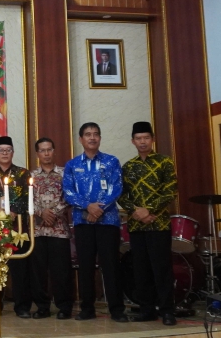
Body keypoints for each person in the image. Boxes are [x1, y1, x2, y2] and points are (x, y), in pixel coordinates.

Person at [63, 122, 128, 322]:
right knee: (86, 266)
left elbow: (116, 188)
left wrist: (99, 209)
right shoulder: (72, 165)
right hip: (83, 223)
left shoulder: (111, 161)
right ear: (81, 139)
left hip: (108, 222)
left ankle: (117, 309)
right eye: (88, 134)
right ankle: (87, 309)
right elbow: (68, 192)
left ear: (100, 138)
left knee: (111, 266)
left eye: (96, 134)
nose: (92, 137)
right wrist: (88, 206)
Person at [118, 122, 178, 326]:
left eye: (146, 138)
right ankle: (147, 310)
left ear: (152, 139)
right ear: (133, 141)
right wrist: (136, 212)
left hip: (158, 224)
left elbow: (170, 190)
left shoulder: (164, 162)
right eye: (138, 138)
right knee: (140, 270)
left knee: (161, 269)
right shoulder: (128, 166)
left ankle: (167, 311)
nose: (142, 142)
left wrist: (149, 210)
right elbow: (121, 194)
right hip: (136, 226)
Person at [0, 136, 33, 318]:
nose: (4, 153)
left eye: (7, 150)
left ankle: (22, 307)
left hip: (17, 229)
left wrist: (14, 211)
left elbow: (28, 197)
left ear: (13, 152)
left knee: (20, 269)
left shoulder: (23, 174)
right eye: (1, 150)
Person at [29, 137, 73, 320]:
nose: (46, 153)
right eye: (42, 150)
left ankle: (64, 307)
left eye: (49, 149)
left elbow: (70, 197)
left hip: (59, 230)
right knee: (38, 271)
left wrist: (53, 213)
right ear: (37, 153)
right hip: (37, 231)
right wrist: (41, 212)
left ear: (54, 151)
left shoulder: (65, 173)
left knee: (61, 271)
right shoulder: (31, 176)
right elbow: (27, 200)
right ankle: (42, 307)